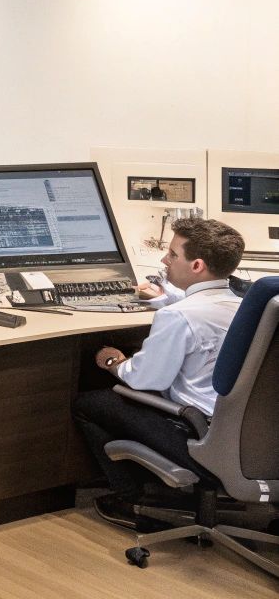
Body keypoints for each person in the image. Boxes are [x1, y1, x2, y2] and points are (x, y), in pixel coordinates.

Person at [73, 217, 244, 529]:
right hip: (248, 438)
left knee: (89, 403)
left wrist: (114, 361)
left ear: (197, 266)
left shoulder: (178, 317)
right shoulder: (247, 307)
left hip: (198, 433)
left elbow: (144, 380)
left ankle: (132, 500)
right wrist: (164, 297)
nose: (164, 260)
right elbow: (202, 305)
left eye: (173, 255)